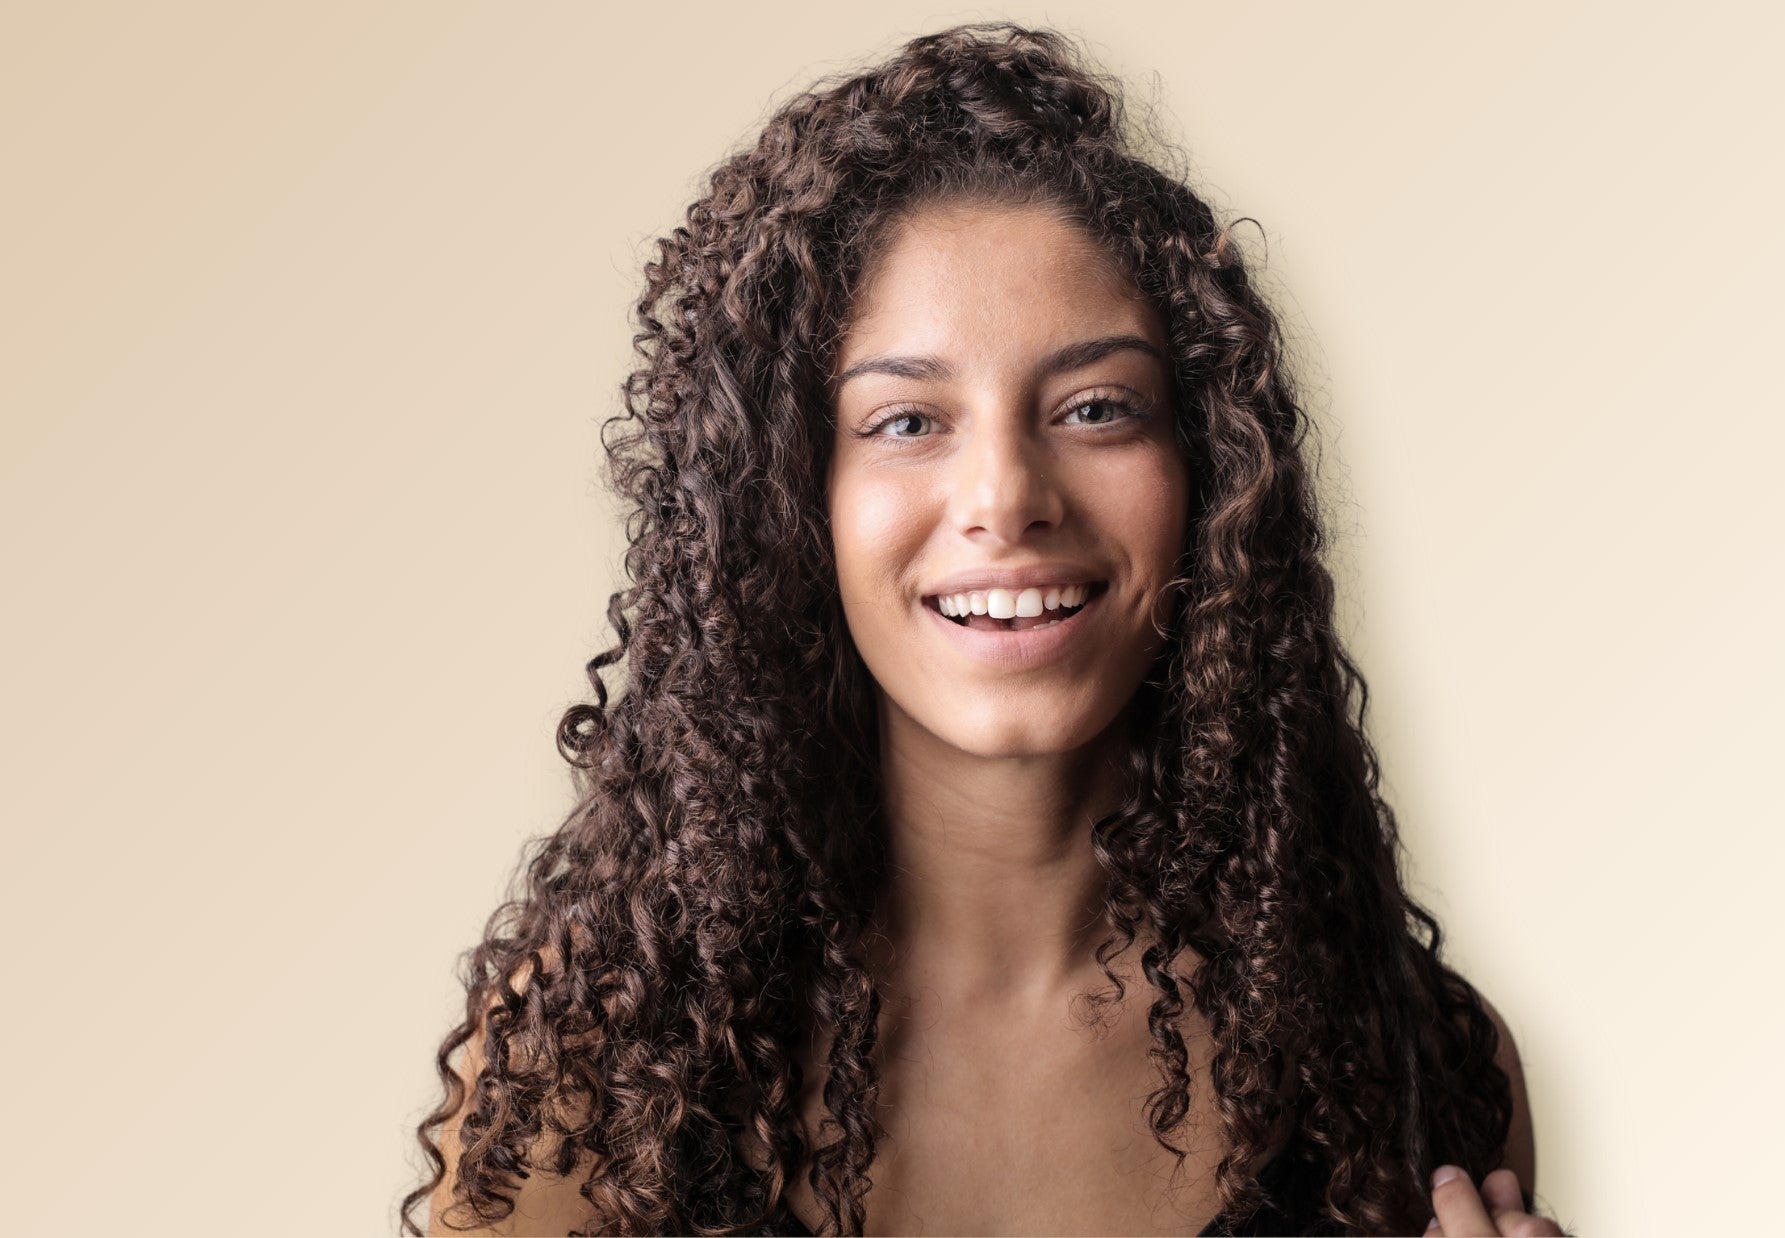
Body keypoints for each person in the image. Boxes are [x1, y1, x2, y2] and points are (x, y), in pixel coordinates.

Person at [401, 22, 1564, 1238]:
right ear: (792, 502)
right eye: (906, 421)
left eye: (1097, 408)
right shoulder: (595, 1063)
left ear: (1211, 476)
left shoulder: (1406, 1059)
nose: (1007, 495)